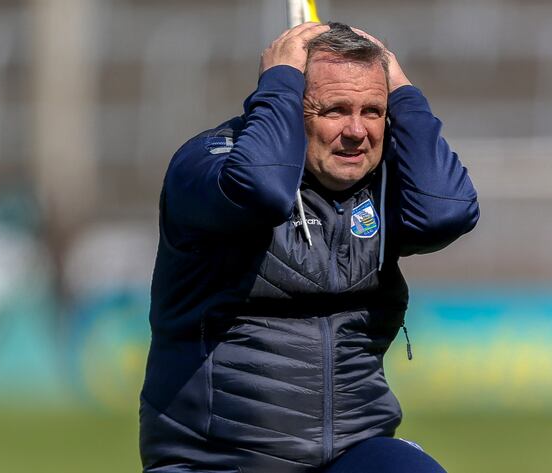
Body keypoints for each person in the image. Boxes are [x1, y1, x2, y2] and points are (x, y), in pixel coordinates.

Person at [139, 22, 479, 473]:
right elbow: (260, 189)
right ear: (289, 108)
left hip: (352, 452)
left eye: (373, 111)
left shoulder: (379, 185)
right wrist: (280, 81)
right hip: (217, 458)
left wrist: (402, 89)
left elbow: (447, 209)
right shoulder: (209, 164)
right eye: (335, 109)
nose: (357, 130)